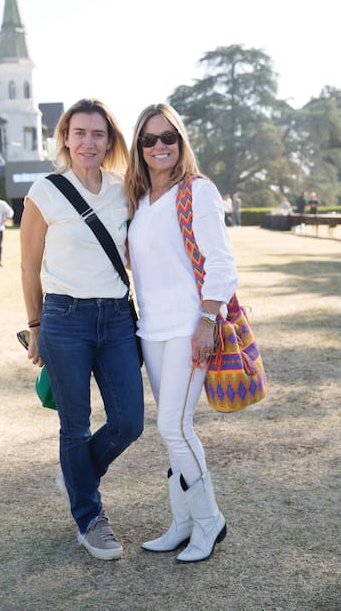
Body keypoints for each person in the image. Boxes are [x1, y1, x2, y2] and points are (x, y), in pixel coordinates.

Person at [20, 98, 144, 561]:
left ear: (109, 140)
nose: (88, 142)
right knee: (73, 424)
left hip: (115, 318)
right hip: (64, 319)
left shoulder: (121, 189)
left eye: (98, 134)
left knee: (129, 421)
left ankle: (76, 474)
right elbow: (29, 266)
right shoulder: (45, 190)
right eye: (79, 133)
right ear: (65, 138)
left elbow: (139, 251)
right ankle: (90, 519)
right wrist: (35, 326)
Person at [125, 103, 238, 563]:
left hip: (190, 327)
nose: (159, 147)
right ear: (139, 147)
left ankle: (209, 521)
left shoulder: (198, 191)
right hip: (151, 329)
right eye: (149, 140)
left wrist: (207, 321)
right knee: (170, 431)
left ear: (180, 141)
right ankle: (182, 523)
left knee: (174, 425)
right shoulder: (138, 199)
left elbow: (222, 263)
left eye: (167, 137)